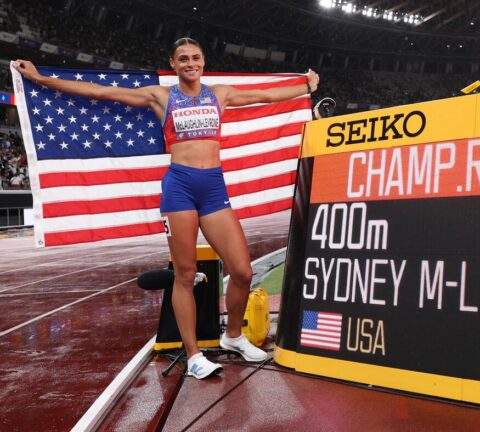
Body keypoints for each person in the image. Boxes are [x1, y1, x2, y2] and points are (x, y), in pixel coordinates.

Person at [13, 37, 319, 379]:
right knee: (185, 274)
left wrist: (304, 86)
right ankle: (194, 356)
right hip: (180, 189)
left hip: (214, 187)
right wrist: (41, 80)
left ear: (204, 62)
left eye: (196, 57)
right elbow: (98, 91)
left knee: (243, 271)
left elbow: (266, 95)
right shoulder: (160, 96)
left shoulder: (221, 94)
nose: (191, 63)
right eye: (183, 58)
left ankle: (233, 336)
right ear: (173, 64)